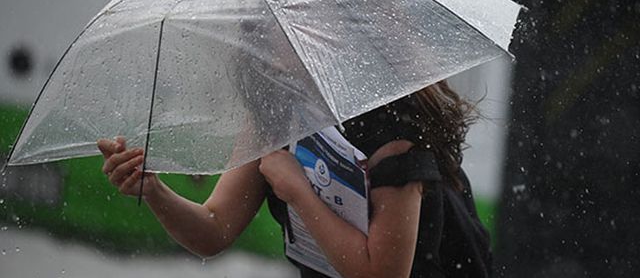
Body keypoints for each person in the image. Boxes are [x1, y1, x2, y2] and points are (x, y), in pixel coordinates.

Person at [97, 80, 491, 278]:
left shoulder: (393, 132)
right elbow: (213, 229)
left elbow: (381, 275)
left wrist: (299, 193)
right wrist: (153, 190)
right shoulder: (276, 112)